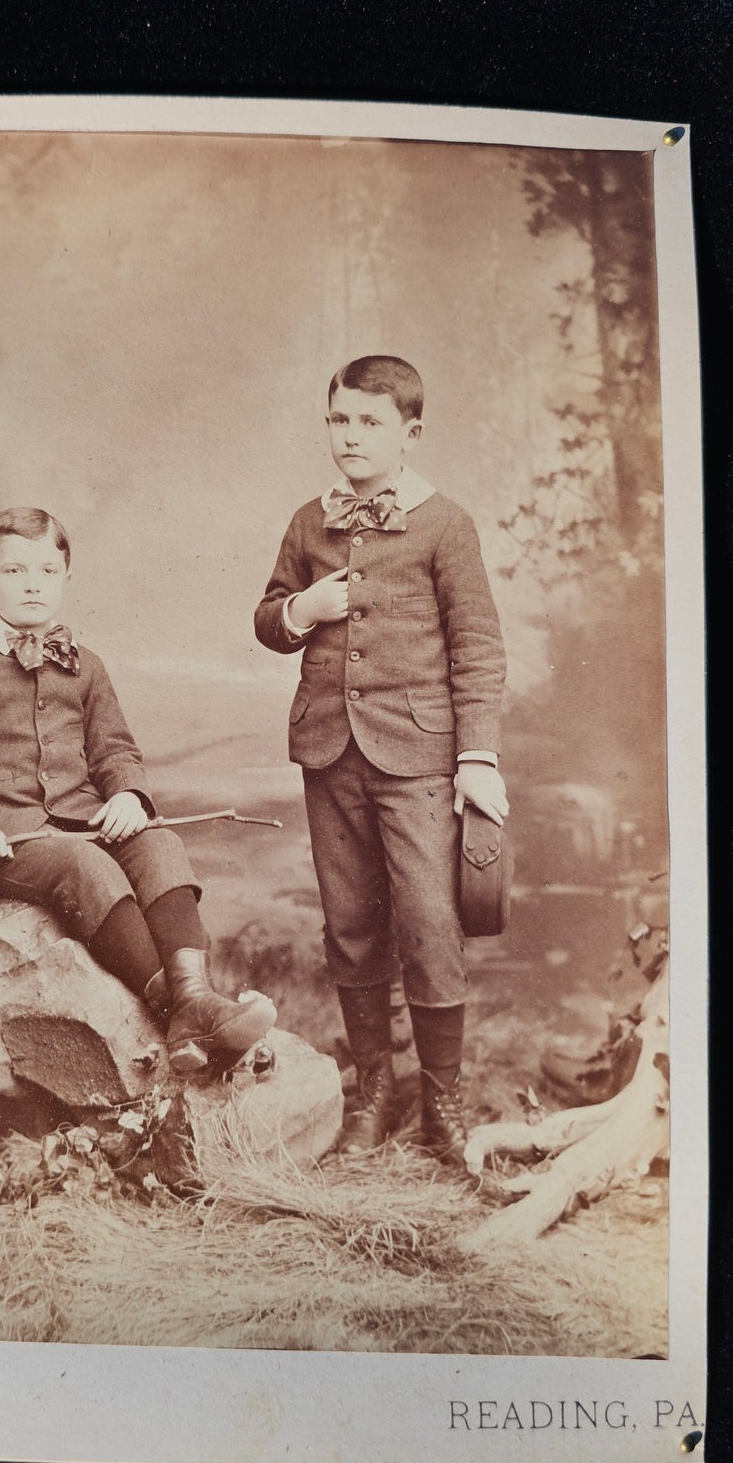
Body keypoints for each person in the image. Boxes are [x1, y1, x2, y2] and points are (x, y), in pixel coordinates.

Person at [0, 506, 274, 1075]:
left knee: (158, 845)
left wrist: (127, 796)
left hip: (76, 818)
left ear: (66, 578)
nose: (33, 585)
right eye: (15, 571)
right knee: (84, 865)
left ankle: (193, 1002)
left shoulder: (86, 665)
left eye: (48, 572)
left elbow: (115, 752)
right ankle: (189, 1010)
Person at [253, 356, 508, 1163]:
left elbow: (477, 647)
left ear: (409, 432)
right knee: (351, 924)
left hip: (420, 757)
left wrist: (476, 756)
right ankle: (374, 1090)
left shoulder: (444, 523)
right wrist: (300, 609)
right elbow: (265, 616)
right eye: (339, 419)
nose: (351, 436)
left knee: (430, 924)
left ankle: (443, 1104)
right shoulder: (307, 521)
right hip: (330, 752)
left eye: (370, 421)